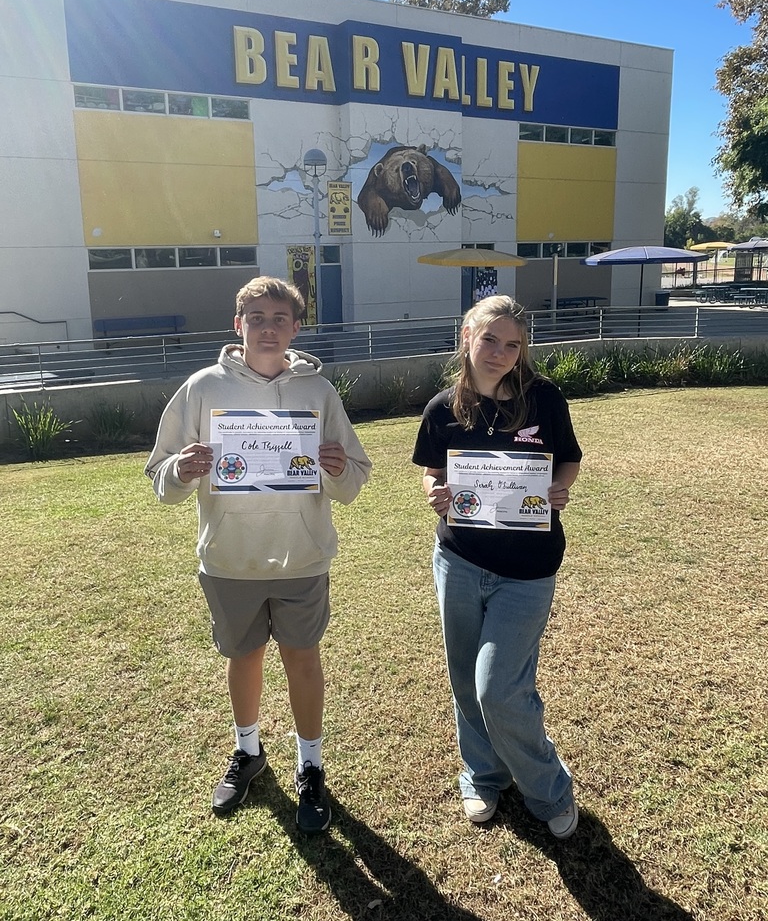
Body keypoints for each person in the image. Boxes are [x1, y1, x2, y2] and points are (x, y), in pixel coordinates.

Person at [145, 276, 371, 834]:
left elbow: (354, 477)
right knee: (243, 657)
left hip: (303, 557)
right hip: (230, 559)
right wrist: (182, 469)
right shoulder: (202, 388)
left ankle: (310, 766)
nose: (268, 327)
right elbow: (160, 475)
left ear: (296, 328)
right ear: (237, 324)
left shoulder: (318, 393)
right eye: (257, 317)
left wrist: (337, 468)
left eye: (279, 318)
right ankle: (249, 752)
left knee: (302, 657)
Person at [412, 295, 582, 839]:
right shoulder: (443, 408)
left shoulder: (544, 399)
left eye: (513, 344)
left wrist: (561, 488)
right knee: (465, 677)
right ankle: (482, 774)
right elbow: (433, 471)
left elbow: (569, 460)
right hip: (460, 561)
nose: (501, 353)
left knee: (498, 686)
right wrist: (435, 492)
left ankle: (548, 788)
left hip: (527, 569)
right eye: (490, 339)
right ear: (467, 335)